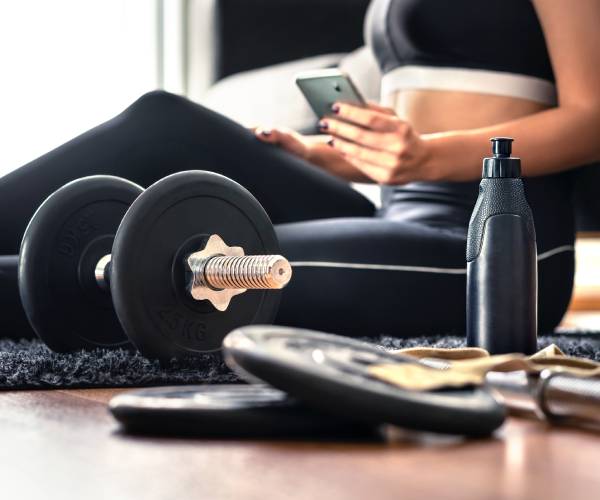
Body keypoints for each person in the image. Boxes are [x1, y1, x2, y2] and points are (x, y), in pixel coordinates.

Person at [1, 0, 599, 338]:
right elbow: (408, 140)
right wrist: (318, 153)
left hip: (495, 252)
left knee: (178, 263)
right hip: (395, 208)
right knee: (168, 122)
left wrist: (428, 157)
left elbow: (593, 117)